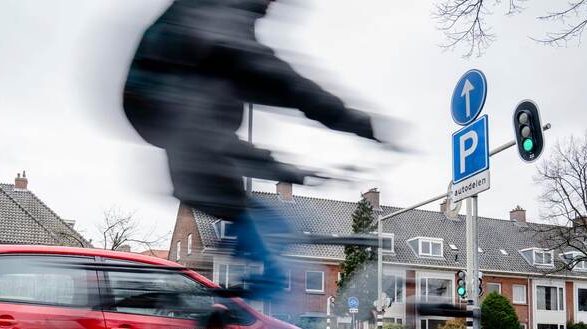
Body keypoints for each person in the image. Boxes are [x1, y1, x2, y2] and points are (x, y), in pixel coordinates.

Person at [123, 0, 389, 300]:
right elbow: (281, 80)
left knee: (238, 206)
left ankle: (229, 284)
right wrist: (356, 123)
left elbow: (269, 81)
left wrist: (277, 166)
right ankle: (241, 285)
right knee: (255, 226)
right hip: (176, 114)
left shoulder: (215, 23)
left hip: (169, 117)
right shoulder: (222, 18)